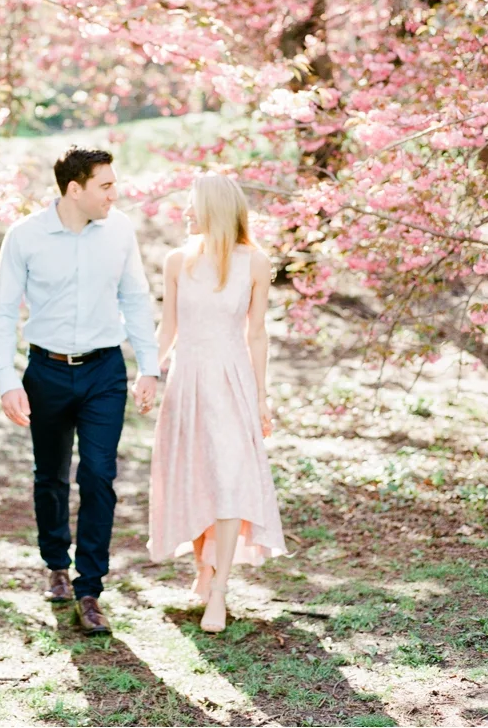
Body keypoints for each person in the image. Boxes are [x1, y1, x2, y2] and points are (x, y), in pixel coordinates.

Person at [0, 147, 159, 635]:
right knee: (51, 476)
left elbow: (136, 297)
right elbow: (0, 311)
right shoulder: (26, 236)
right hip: (47, 371)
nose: (114, 194)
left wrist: (149, 367)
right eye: (105, 185)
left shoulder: (120, 230)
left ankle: (90, 588)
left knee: (100, 475)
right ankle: (56, 563)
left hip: (105, 371)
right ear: (74, 189)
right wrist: (6, 380)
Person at [145, 173, 285, 633]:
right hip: (187, 380)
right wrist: (148, 371)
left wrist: (262, 398)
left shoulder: (256, 262)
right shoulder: (177, 260)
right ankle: (202, 567)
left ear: (215, 209)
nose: (185, 212)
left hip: (231, 380)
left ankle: (220, 588)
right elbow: (169, 327)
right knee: (199, 473)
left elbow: (257, 332)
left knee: (228, 478)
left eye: (192, 204)